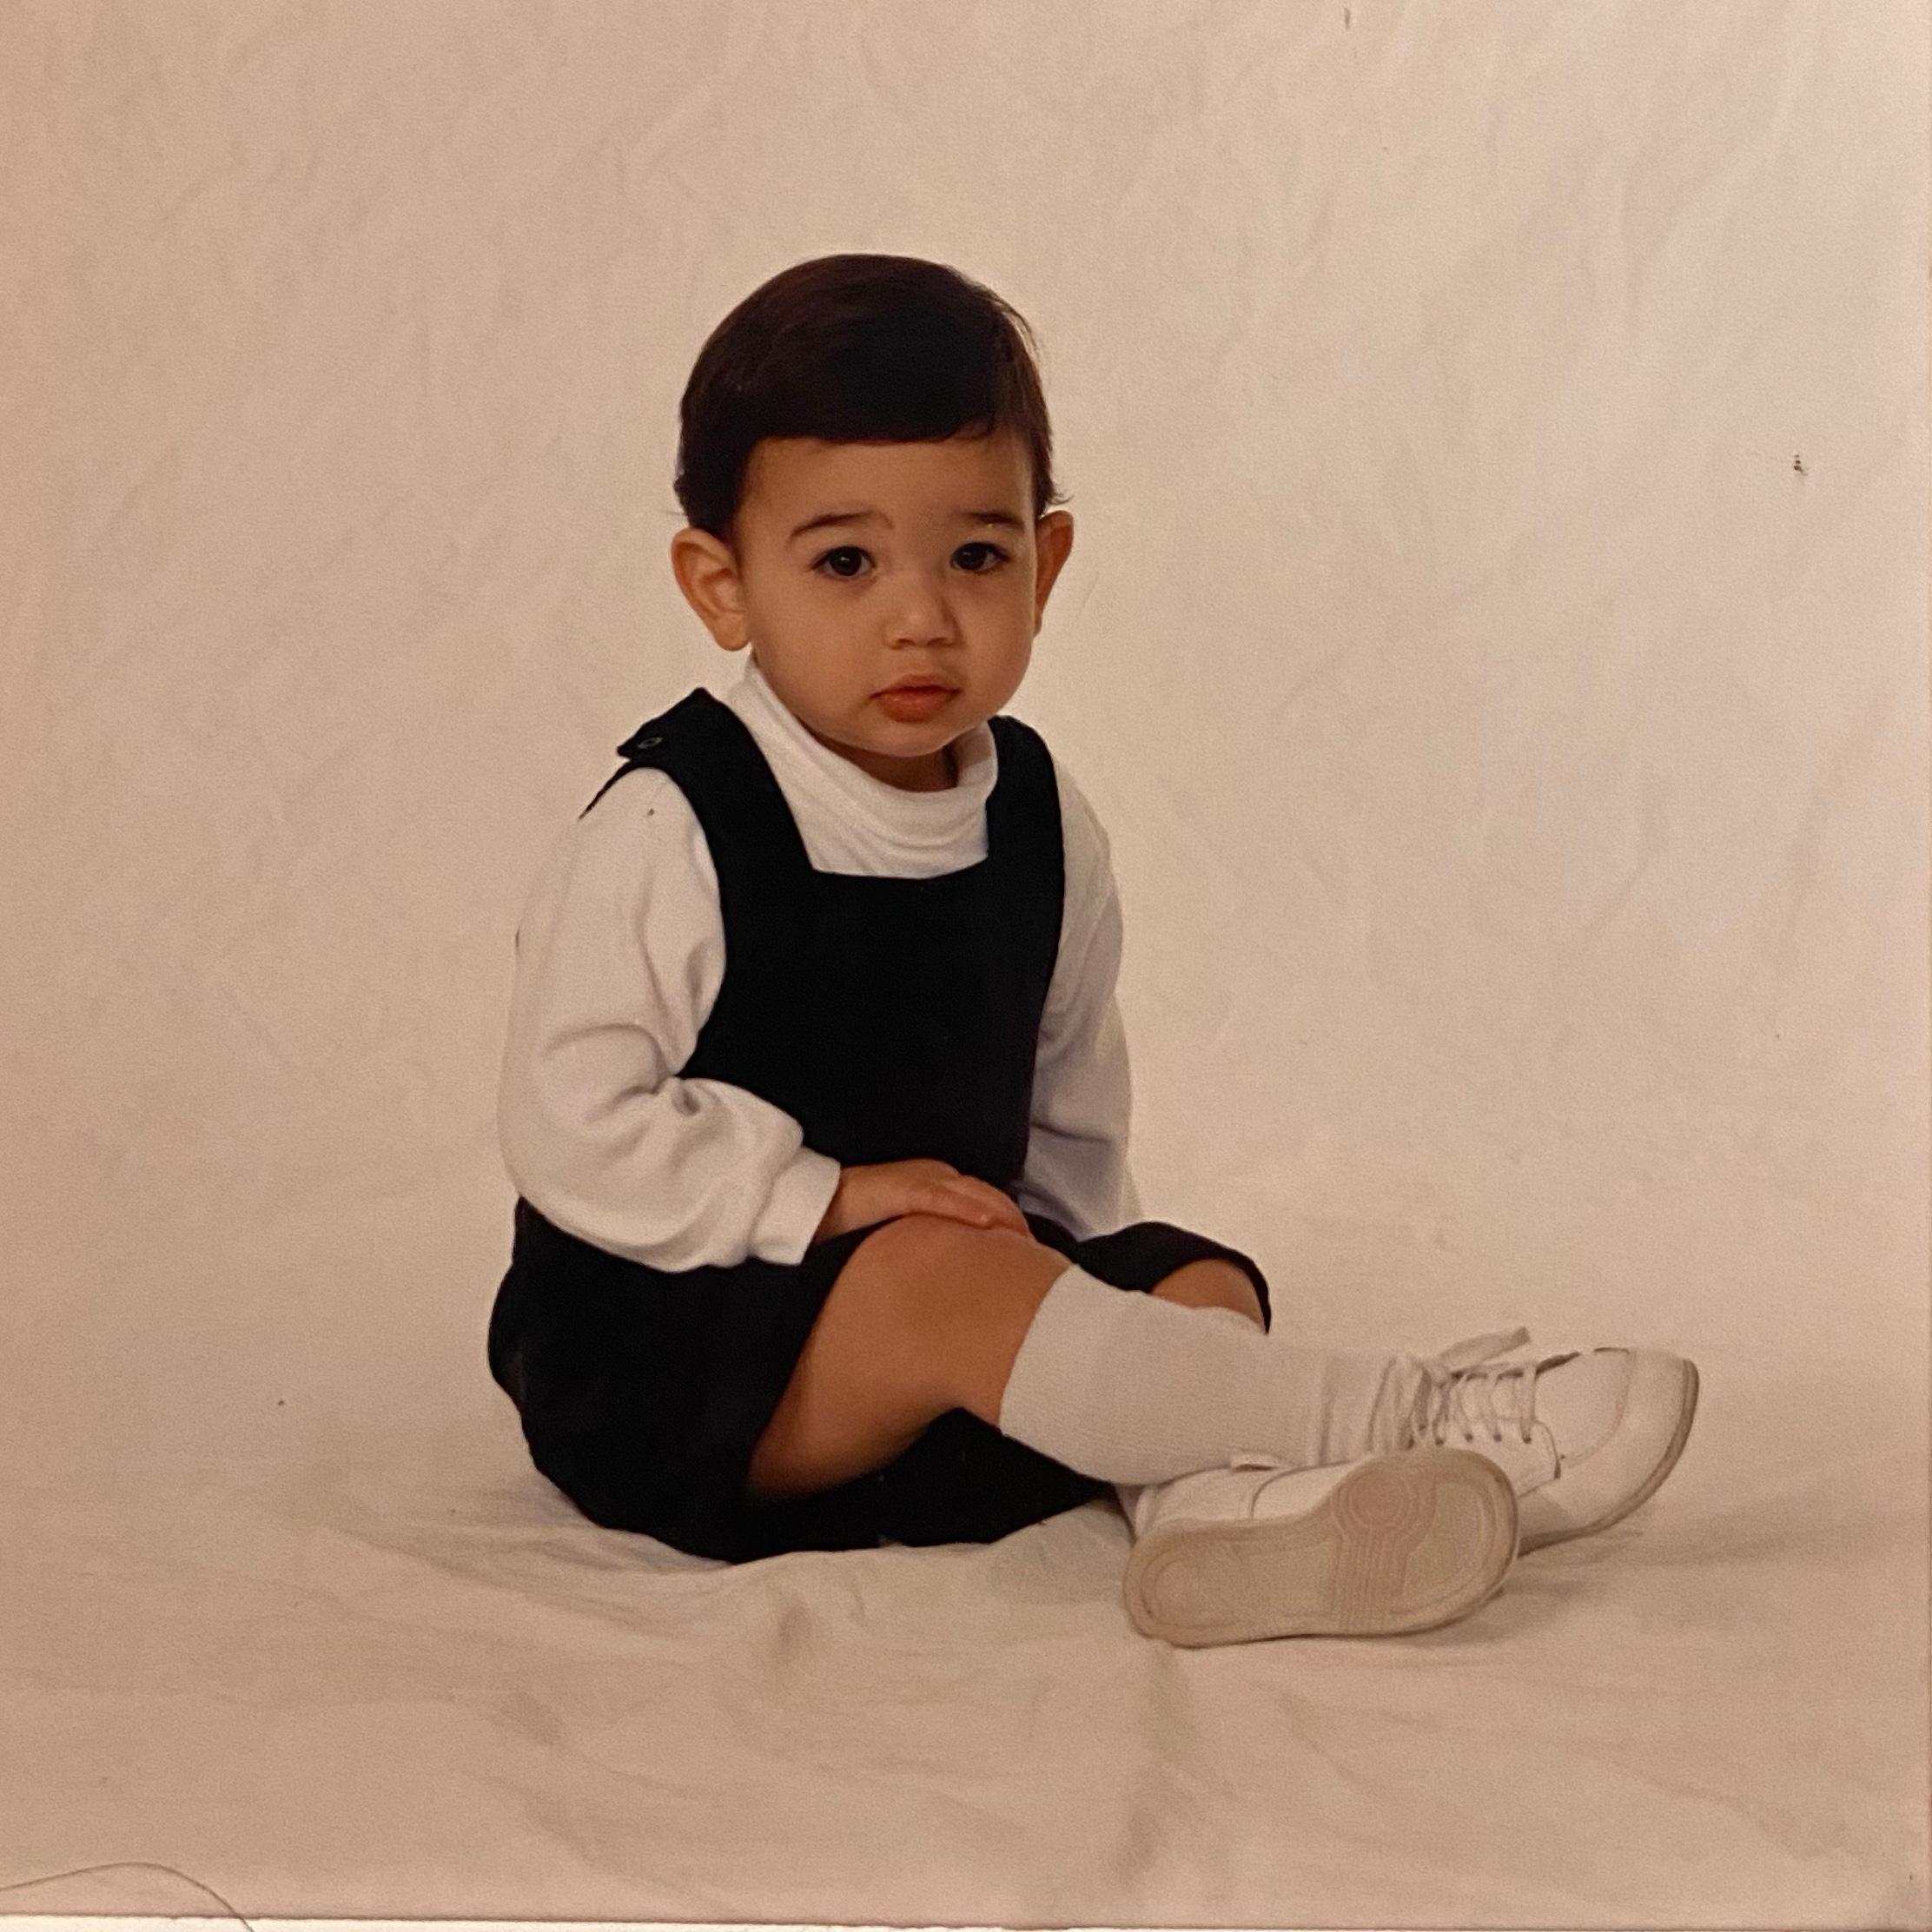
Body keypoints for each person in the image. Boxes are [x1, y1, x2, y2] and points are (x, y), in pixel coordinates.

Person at [486, 253, 1699, 1648]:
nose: (920, 615)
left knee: (1197, 1282)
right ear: (723, 586)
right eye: (845, 562)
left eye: (976, 557)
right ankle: (1412, 1418)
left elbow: (1066, 1104)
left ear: (1046, 564)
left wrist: (1077, 1296)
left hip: (942, 1333)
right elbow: (572, 1121)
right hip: (678, 1364)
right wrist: (824, 1200)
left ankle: (1225, 1519)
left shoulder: (1039, 819)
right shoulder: (677, 823)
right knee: (935, 1278)